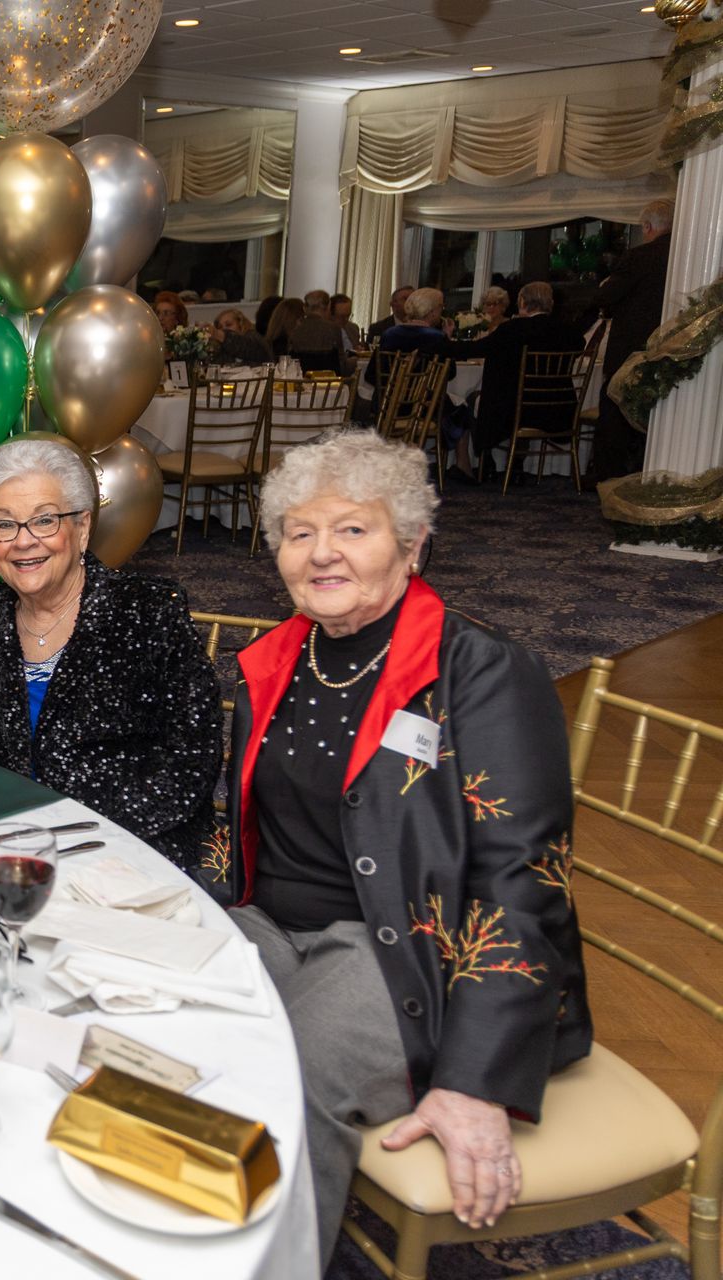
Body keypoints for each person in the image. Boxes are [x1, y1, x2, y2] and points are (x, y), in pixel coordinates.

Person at [218, 430, 590, 1262]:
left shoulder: (481, 672)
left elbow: (523, 880)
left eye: (354, 529)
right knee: (156, 1018)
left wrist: (475, 1078)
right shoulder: (272, 661)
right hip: (270, 926)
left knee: (288, 1076)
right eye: (299, 532)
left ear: (414, 544)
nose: (322, 554)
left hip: (410, 951)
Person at [0, 437, 223, 867]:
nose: (23, 541)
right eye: (4, 524)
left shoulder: (147, 613)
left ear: (82, 528)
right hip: (0, 844)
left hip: (123, 848)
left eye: (45, 520)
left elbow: (190, 762)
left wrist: (74, 843)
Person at [436, 281, 585, 478]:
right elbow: (581, 345)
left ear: (522, 302)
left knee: (472, 399)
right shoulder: (569, 332)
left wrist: (445, 341)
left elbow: (476, 349)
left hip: (514, 409)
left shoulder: (512, 330)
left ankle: (485, 459)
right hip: (558, 408)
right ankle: (517, 462)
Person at [589, 198, 674, 481]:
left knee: (614, 417)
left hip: (630, 352)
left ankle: (609, 481)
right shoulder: (685, 256)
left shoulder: (639, 258)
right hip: (668, 352)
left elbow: (605, 297)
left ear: (648, 227)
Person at [289, 290, 348, 374]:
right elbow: (341, 365)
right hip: (328, 383)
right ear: (328, 307)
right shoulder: (334, 329)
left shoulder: (296, 327)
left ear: (305, 308)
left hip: (300, 381)